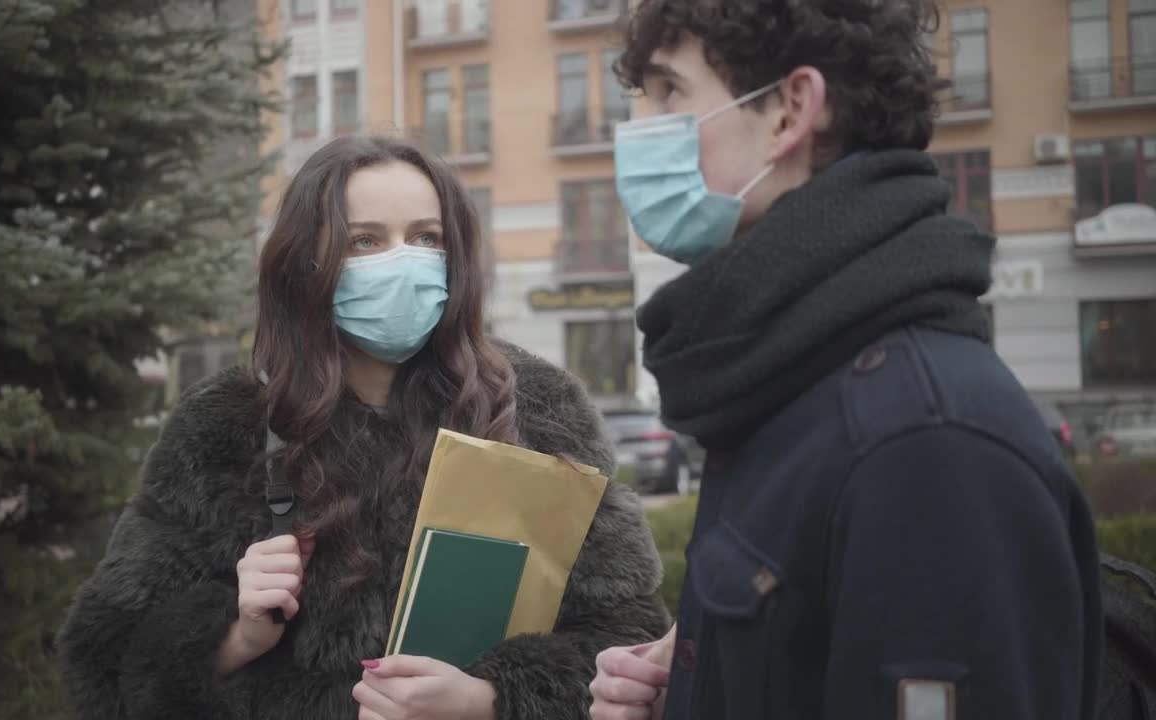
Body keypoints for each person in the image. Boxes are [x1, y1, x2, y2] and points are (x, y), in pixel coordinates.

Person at [589, 1, 1103, 719]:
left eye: (671, 91)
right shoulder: (781, 380)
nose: (638, 131)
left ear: (792, 110)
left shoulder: (924, 446)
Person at [57, 135, 670, 720]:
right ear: (307, 262)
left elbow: (629, 637)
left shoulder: (538, 410)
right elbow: (104, 660)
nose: (401, 262)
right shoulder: (227, 430)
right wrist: (235, 636)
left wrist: (490, 700)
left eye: (426, 238)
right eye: (365, 242)